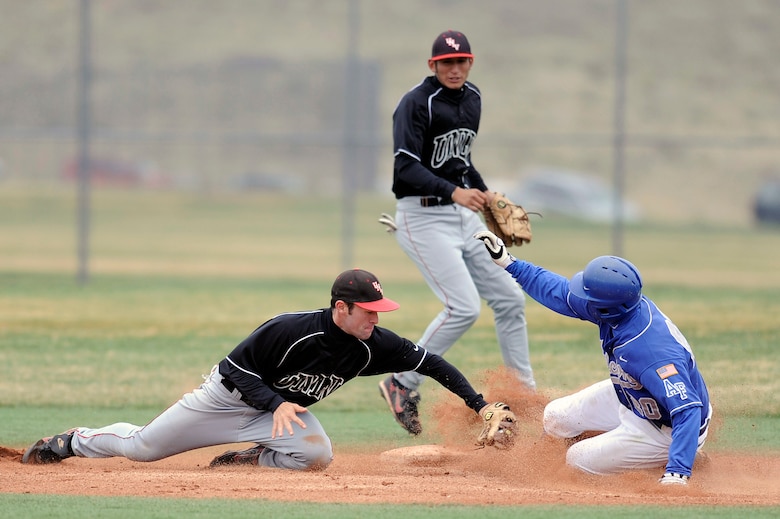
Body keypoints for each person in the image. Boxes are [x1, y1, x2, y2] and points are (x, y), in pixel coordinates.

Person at [21, 269, 502, 471]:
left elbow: (432, 362)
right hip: (223, 400)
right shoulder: (290, 329)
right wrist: (276, 402)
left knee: (317, 455)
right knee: (143, 449)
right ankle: (72, 441)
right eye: (369, 310)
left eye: (379, 311)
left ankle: (246, 460)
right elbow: (234, 369)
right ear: (341, 308)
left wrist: (479, 404)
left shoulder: (372, 345)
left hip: (277, 416)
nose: (377, 319)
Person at [378, 29, 535, 436]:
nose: (455, 68)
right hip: (422, 216)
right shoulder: (416, 104)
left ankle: (524, 393)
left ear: (470, 62)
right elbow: (405, 168)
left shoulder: (473, 98)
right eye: (447, 62)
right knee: (463, 307)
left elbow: (460, 160)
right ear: (433, 65)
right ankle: (401, 382)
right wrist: (455, 191)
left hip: (461, 214)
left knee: (509, 298)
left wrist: (482, 194)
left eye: (461, 61)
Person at [473, 230, 712, 485]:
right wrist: (509, 263)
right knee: (555, 415)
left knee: (578, 459)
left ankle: (679, 458)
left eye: (589, 296)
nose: (582, 299)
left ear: (606, 308)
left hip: (666, 430)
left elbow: (687, 410)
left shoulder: (650, 351)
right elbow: (559, 292)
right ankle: (561, 457)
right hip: (632, 395)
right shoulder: (620, 309)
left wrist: (677, 474)